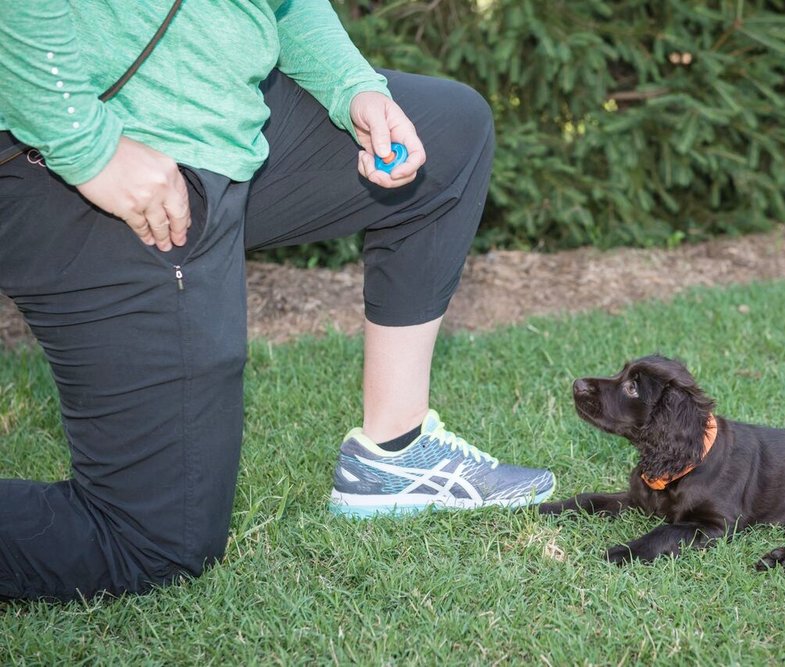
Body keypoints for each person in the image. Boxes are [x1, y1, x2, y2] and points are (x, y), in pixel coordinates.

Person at [0, 0, 555, 602]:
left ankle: (394, 452)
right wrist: (85, 144)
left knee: (449, 133)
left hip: (224, 121)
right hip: (87, 153)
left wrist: (354, 89)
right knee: (152, 544)